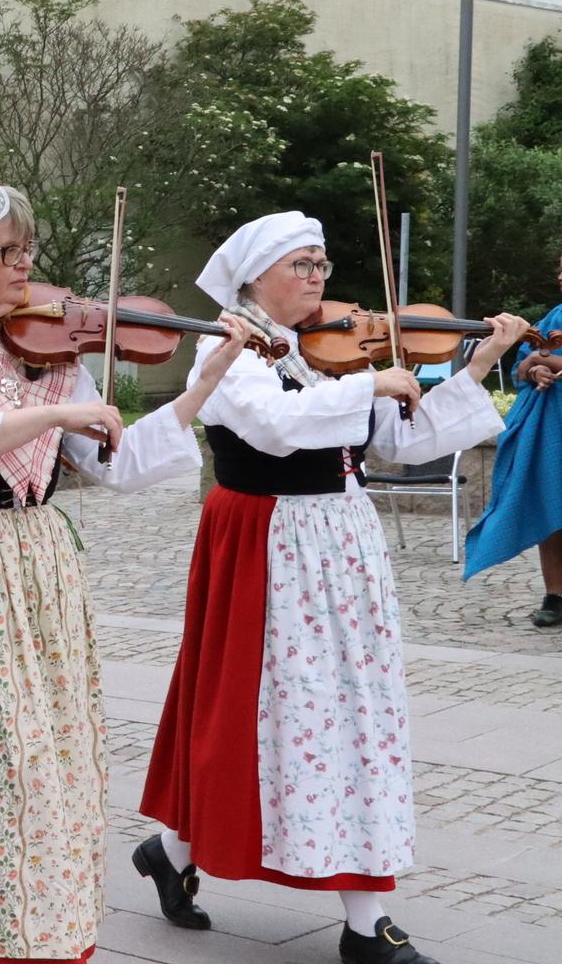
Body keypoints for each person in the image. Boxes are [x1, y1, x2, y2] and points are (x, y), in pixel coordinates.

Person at [0, 176, 253, 964]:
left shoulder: (46, 343)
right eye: (8, 251)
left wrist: (203, 385)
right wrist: (56, 413)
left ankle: (31, 923)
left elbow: (112, 460)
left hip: (33, 570)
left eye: (29, 249)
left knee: (42, 764)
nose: (26, 266)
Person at [136, 211, 525, 964]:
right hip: (268, 544)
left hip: (340, 545)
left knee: (346, 712)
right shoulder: (228, 353)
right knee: (269, 715)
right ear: (256, 276)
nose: (318, 278)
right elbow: (277, 428)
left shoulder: (334, 353)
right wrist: (369, 380)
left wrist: (477, 367)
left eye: (321, 264)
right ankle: (360, 920)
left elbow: (398, 439)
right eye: (302, 265)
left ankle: (176, 852)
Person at [464, 252, 562, 625]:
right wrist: (536, 368)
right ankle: (555, 595)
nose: (561, 278)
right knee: (551, 508)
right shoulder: (552, 318)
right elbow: (521, 363)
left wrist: (548, 362)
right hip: (552, 427)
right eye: (560, 271)